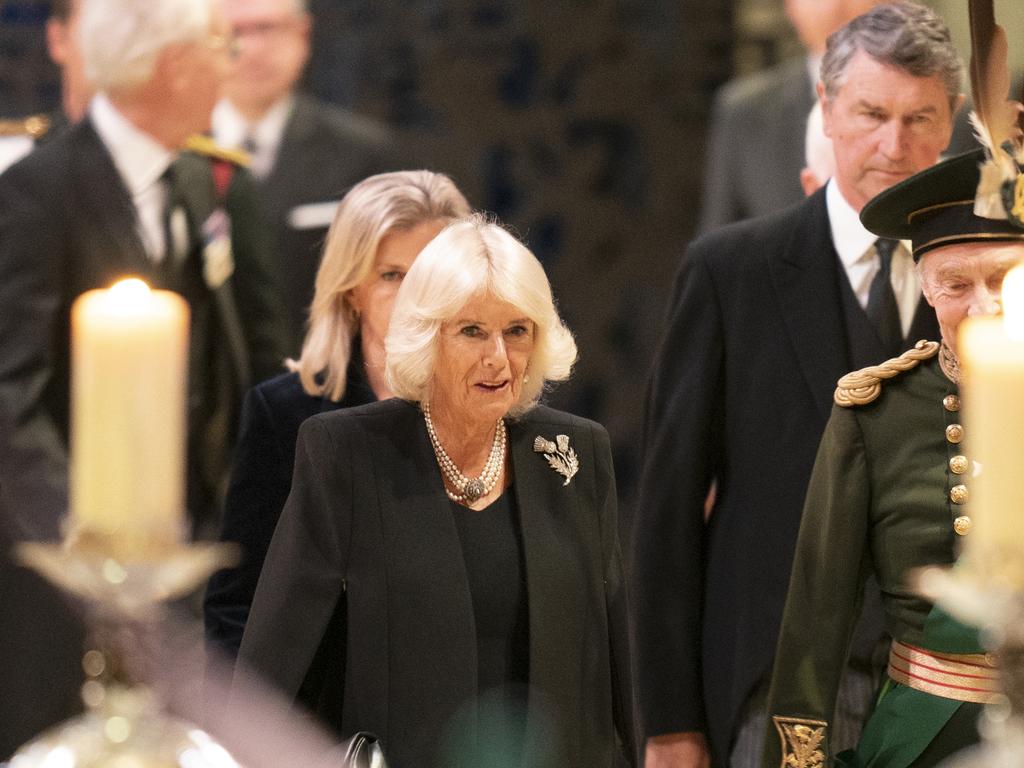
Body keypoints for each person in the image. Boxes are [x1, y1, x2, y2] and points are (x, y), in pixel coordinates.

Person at [633, 4, 962, 766]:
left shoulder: (990, 284)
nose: (894, 144)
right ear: (827, 107)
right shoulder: (729, 273)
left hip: (947, 689)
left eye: (920, 118)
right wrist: (670, 722)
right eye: (872, 113)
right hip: (769, 684)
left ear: (951, 124)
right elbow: (667, 512)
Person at [236, 215, 639, 768]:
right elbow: (273, 664)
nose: (498, 356)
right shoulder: (348, 452)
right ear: (428, 336)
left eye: (516, 331)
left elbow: (617, 660)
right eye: (472, 331)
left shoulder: (574, 451)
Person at [765, 146, 1024, 767]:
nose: (984, 306)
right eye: (956, 285)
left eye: (1005, 279)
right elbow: (817, 612)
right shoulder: (877, 412)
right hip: (924, 734)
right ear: (925, 290)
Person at [204, 170, 471, 657]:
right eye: (392, 276)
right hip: (325, 719)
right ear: (353, 289)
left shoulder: (496, 403)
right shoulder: (286, 414)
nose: (416, 296)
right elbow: (237, 605)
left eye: (431, 274)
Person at [213, 0, 398, 350]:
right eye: (234, 32)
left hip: (326, 376)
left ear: (302, 33)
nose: (251, 50)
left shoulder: (363, 154)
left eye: (266, 29)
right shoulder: (176, 152)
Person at [698, 0, 880, 233]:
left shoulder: (933, 103)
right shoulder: (745, 111)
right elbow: (717, 249)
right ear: (790, 7)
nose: (836, 5)